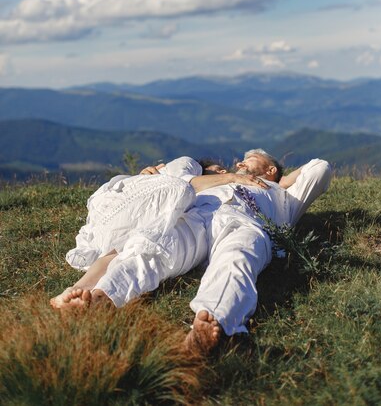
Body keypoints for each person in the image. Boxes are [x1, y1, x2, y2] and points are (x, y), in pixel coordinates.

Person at [51, 150, 331, 355]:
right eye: (242, 158)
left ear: (271, 170)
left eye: (252, 156)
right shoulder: (217, 179)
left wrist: (279, 184)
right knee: (152, 247)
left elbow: (320, 168)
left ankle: (212, 322)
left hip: (246, 226)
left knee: (237, 260)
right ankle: (101, 298)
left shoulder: (285, 199)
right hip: (199, 217)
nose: (241, 161)